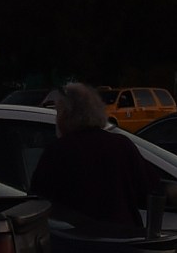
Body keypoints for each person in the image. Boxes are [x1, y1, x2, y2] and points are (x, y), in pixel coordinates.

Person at [30, 82, 163, 228]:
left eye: (58, 112)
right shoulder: (122, 145)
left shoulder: (58, 151)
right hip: (125, 240)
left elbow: (36, 203)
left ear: (66, 115)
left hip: (76, 242)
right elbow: (151, 189)